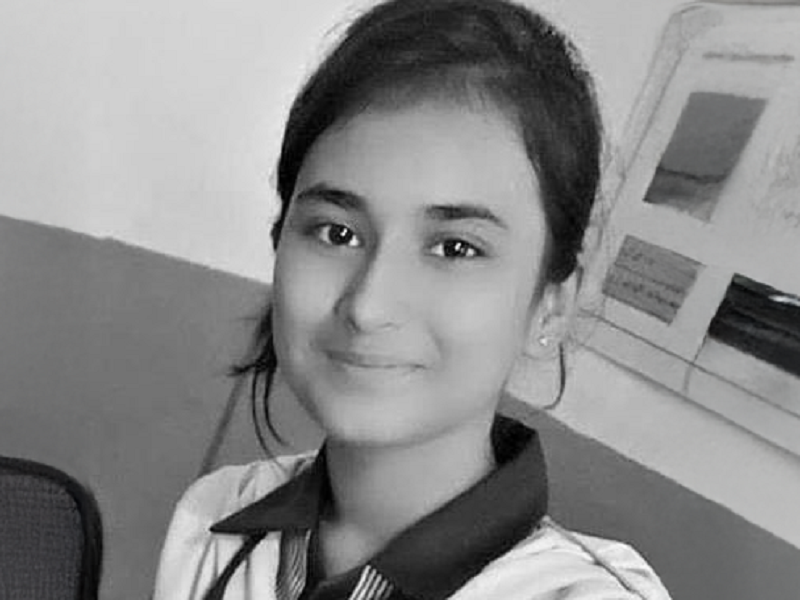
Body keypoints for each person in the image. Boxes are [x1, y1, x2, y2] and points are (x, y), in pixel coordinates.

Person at [153, 0, 672, 598]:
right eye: (337, 233)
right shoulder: (213, 521)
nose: (368, 306)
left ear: (550, 305)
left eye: (455, 248)